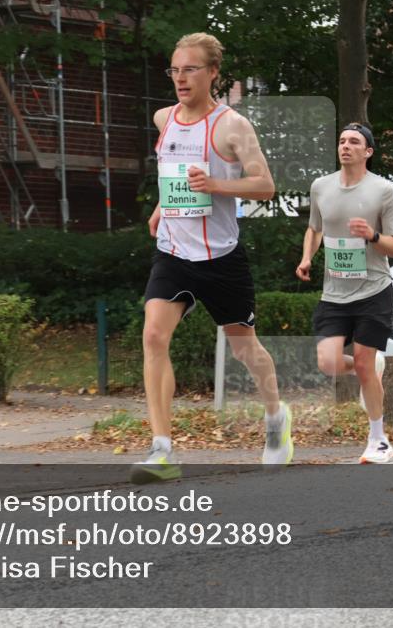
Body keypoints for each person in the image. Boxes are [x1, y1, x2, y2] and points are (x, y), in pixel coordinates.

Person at [131, 33, 292, 484]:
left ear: (213, 73)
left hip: (221, 257)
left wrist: (217, 186)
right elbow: (173, 172)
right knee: (154, 336)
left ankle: (277, 420)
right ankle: (162, 450)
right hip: (174, 253)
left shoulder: (232, 126)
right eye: (175, 69)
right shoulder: (164, 118)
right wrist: (163, 206)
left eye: (191, 69)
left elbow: (265, 186)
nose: (181, 78)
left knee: (246, 349)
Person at [296, 123, 393, 463]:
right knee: (327, 362)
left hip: (374, 288)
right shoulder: (321, 186)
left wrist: (372, 235)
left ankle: (379, 440)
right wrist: (306, 257)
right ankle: (373, 367)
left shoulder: (383, 190)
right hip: (334, 291)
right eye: (342, 141)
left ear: (368, 151)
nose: (346, 146)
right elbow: (315, 228)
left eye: (354, 142)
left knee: (362, 361)